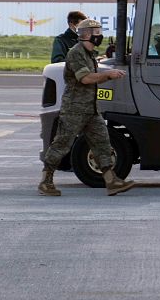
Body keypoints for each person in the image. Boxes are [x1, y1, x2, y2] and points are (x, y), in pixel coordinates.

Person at [38, 19, 136, 197]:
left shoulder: (89, 54)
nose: (99, 35)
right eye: (96, 32)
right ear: (87, 35)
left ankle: (111, 180)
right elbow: (85, 78)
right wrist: (108, 75)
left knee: (102, 143)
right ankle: (46, 181)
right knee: (61, 144)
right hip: (74, 109)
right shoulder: (76, 53)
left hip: (90, 108)